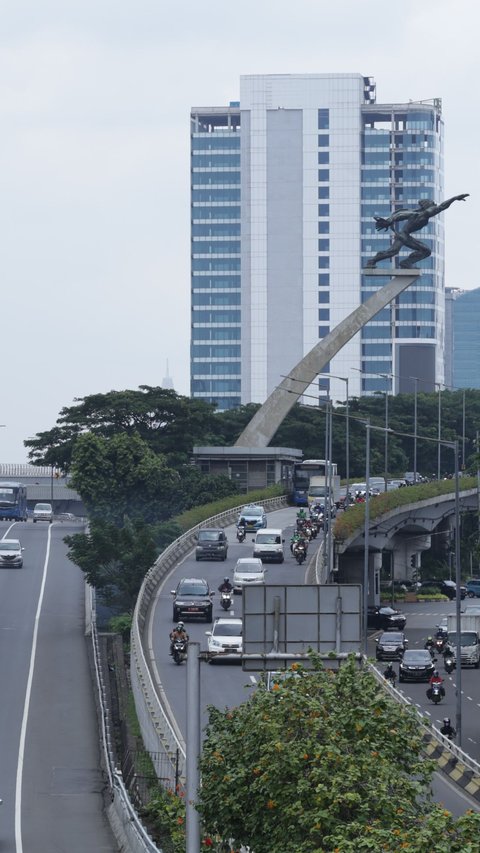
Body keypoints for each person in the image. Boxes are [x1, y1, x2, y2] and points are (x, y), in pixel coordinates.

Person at [365, 194, 469, 269]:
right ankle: (404, 263)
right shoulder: (424, 213)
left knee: (393, 251)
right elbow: (442, 207)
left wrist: (390, 220)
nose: (435, 207)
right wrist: (454, 198)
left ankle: (374, 261)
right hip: (404, 235)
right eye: (433, 205)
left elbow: (399, 215)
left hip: (403, 235)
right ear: (429, 206)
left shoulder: (416, 213)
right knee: (425, 251)